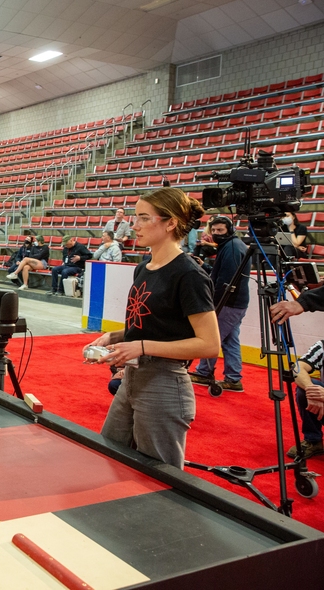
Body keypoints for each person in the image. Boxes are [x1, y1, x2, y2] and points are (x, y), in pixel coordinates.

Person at [86, 185, 219, 469]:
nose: (134, 225)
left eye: (144, 218)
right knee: (110, 458)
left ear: (170, 223)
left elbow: (209, 344)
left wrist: (141, 346)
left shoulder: (189, 274)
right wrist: (114, 336)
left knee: (159, 479)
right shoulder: (143, 267)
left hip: (165, 383)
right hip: (134, 379)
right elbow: (151, 325)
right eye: (136, 217)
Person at [189, 216, 251, 392]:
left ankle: (204, 372)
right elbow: (223, 274)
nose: (216, 234)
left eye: (220, 230)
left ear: (229, 230)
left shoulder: (231, 248)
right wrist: (206, 267)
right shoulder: (232, 245)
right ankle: (233, 378)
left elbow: (226, 280)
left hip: (229, 302)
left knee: (212, 338)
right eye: (214, 230)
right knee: (230, 340)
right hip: (236, 302)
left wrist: (214, 303)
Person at [285, 341, 324, 459]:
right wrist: (311, 390)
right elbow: (297, 368)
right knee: (306, 389)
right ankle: (313, 440)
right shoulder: (322, 346)